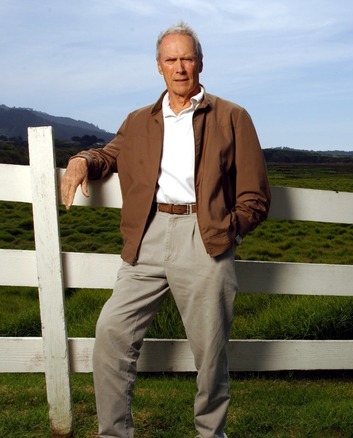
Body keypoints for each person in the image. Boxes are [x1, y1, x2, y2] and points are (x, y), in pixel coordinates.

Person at [60, 21, 271, 438]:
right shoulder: (139, 121)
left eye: (187, 58)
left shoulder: (232, 117)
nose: (180, 67)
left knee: (210, 354)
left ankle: (210, 433)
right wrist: (82, 160)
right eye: (171, 59)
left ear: (201, 63)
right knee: (111, 334)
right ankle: (114, 433)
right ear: (158, 67)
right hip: (148, 237)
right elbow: (109, 155)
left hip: (205, 237)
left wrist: (228, 231)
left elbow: (255, 194)